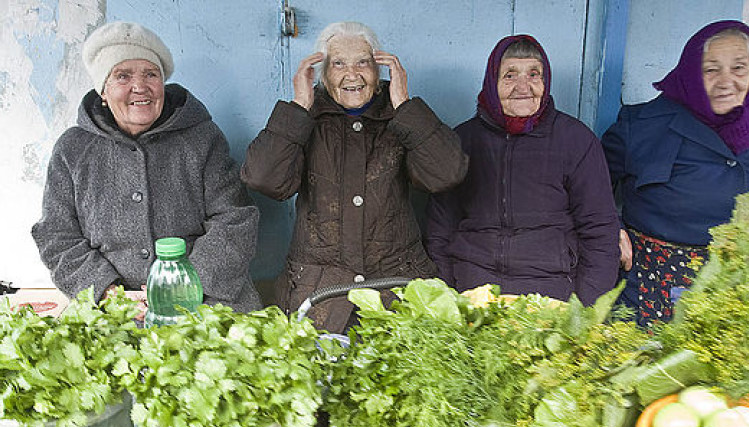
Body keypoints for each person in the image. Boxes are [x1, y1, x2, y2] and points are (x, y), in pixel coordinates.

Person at [240, 21, 467, 333]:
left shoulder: (400, 114)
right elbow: (264, 178)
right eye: (338, 64)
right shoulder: (306, 117)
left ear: (380, 68)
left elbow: (446, 173)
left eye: (363, 62)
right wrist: (298, 107)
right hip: (319, 294)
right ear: (322, 74)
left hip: (396, 287)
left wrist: (405, 107)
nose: (352, 74)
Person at [32, 21, 261, 313]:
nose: (139, 87)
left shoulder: (202, 138)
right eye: (123, 76)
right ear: (103, 90)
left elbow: (235, 218)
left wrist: (186, 287)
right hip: (113, 307)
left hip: (204, 298)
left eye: (150, 74)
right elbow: (56, 234)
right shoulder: (73, 149)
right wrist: (108, 293)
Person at [425, 35, 620, 307]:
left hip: (552, 294)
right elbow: (439, 231)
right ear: (492, 83)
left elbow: (600, 230)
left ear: (545, 81)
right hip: (473, 290)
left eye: (534, 74)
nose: (523, 86)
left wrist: (585, 308)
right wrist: (448, 295)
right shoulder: (462, 141)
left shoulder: (575, 140)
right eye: (509, 76)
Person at [602, 20, 749, 326]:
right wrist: (612, 228)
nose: (726, 81)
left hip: (745, 296)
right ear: (691, 71)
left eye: (739, 68)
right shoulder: (641, 126)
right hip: (651, 292)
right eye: (711, 69)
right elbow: (589, 188)